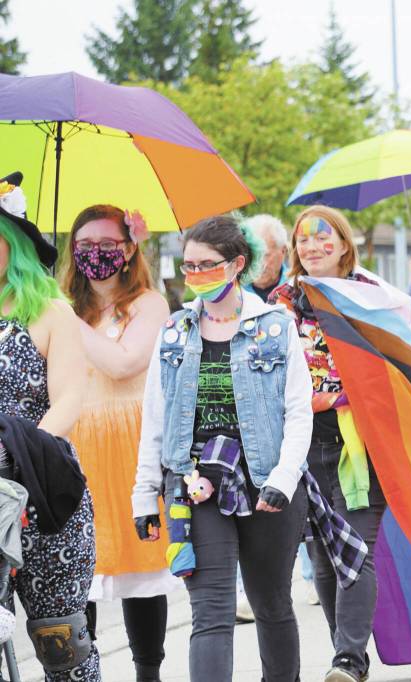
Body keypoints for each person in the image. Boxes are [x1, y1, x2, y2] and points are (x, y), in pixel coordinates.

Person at [132, 215, 315, 682]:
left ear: (237, 264)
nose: (194, 275)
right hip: (196, 486)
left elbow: (299, 412)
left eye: (206, 265)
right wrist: (143, 494)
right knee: (211, 612)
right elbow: (155, 415)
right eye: (187, 265)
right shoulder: (174, 331)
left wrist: (283, 480)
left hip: (264, 483)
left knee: (271, 602)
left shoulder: (275, 326)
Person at [268, 206, 390, 682]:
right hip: (302, 441)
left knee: (355, 548)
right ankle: (347, 652)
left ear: (343, 244)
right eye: (303, 240)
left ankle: (349, 661)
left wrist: (339, 396)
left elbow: (390, 367)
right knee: (322, 554)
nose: (312, 247)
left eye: (323, 238)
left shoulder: (369, 296)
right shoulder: (280, 301)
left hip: (359, 440)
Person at [61, 204, 175, 682]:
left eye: (108, 245)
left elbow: (124, 363)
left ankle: (147, 672)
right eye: (85, 246)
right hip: (74, 444)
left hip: (131, 443)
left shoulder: (149, 303)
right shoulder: (62, 306)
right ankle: (79, 673)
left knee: (141, 572)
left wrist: (66, 322)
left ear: (129, 249)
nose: (96, 255)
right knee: (76, 574)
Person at [0, 184, 99, 681]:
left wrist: (16, 453)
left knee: (61, 644)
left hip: (43, 494)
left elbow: (69, 399)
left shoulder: (52, 312)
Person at [242, 214, 290, 302]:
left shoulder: (296, 287)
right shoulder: (235, 291)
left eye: (266, 255)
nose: (258, 264)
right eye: (253, 255)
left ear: (283, 251)